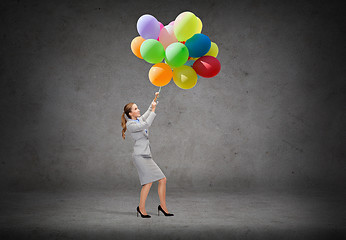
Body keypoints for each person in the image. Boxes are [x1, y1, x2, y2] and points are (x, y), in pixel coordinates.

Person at [121, 92, 174, 218]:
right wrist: (154, 111)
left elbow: (148, 111)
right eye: (135, 108)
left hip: (146, 155)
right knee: (148, 182)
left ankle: (162, 207)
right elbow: (146, 124)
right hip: (140, 156)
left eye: (137, 107)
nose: (138, 109)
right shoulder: (131, 125)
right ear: (130, 114)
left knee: (162, 179)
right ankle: (142, 208)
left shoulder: (139, 119)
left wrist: (155, 99)